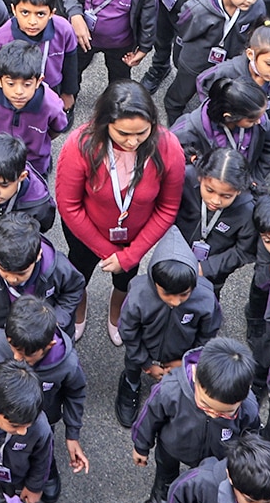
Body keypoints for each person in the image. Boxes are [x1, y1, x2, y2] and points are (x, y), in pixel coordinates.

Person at [53, 84, 188, 338]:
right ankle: (78, 309)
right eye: (123, 133)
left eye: (142, 133)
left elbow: (168, 208)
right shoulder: (80, 144)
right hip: (85, 232)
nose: (133, 141)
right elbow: (69, 206)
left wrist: (129, 256)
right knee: (78, 273)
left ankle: (116, 313)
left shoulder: (168, 147)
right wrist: (109, 253)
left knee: (125, 279)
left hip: (135, 237)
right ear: (105, 124)